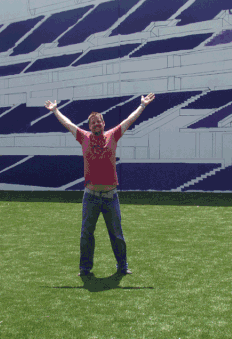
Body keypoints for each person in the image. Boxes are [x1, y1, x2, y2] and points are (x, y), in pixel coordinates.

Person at [45, 93, 155, 277]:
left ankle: (122, 266)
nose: (97, 124)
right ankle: (85, 269)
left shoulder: (113, 135)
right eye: (93, 122)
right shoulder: (83, 137)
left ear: (104, 124)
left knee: (117, 234)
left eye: (99, 122)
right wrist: (55, 110)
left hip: (111, 196)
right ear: (90, 126)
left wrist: (142, 106)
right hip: (91, 196)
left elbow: (129, 120)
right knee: (86, 234)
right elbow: (68, 124)